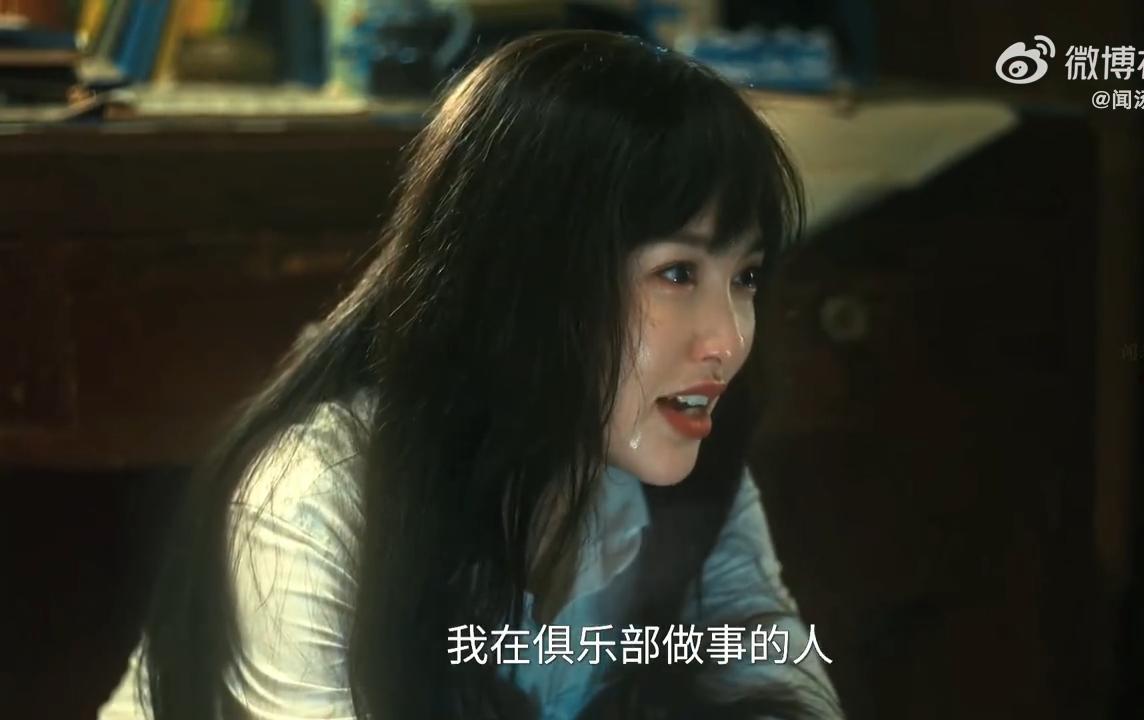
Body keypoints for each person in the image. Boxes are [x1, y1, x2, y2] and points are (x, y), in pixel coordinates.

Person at [99, 29, 844, 720]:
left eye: (745, 276)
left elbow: (774, 668)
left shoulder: (677, 438)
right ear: (524, 279)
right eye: (677, 273)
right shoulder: (315, 495)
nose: (728, 340)